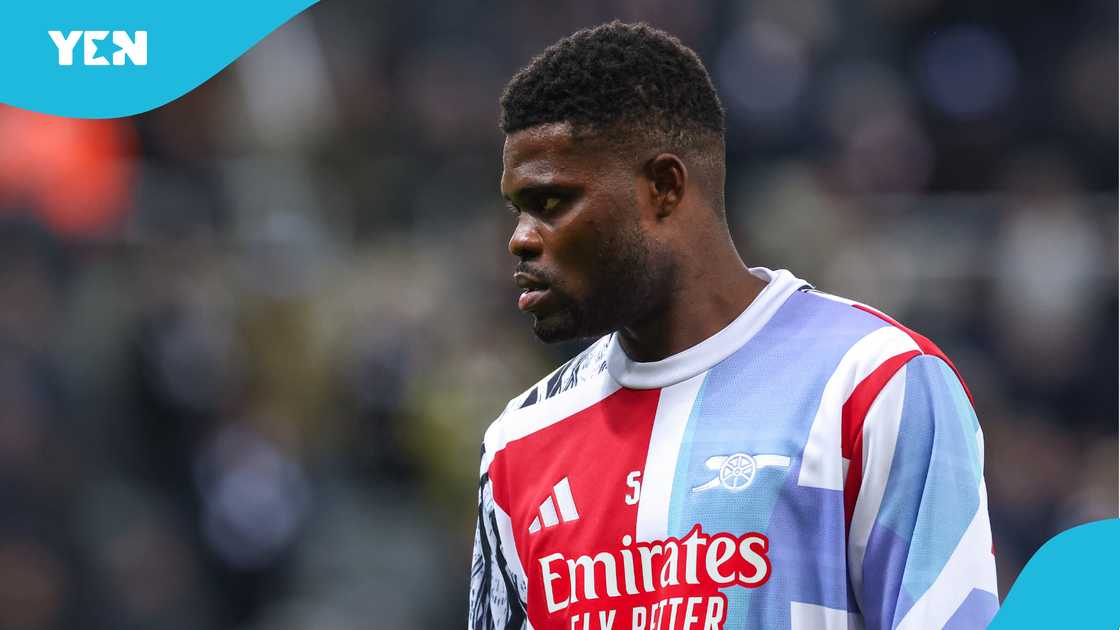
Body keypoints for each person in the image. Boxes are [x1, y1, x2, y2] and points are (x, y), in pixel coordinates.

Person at [469, 21, 997, 630]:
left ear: (664, 187)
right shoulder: (519, 441)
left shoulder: (873, 382)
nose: (520, 239)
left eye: (551, 202)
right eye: (517, 209)